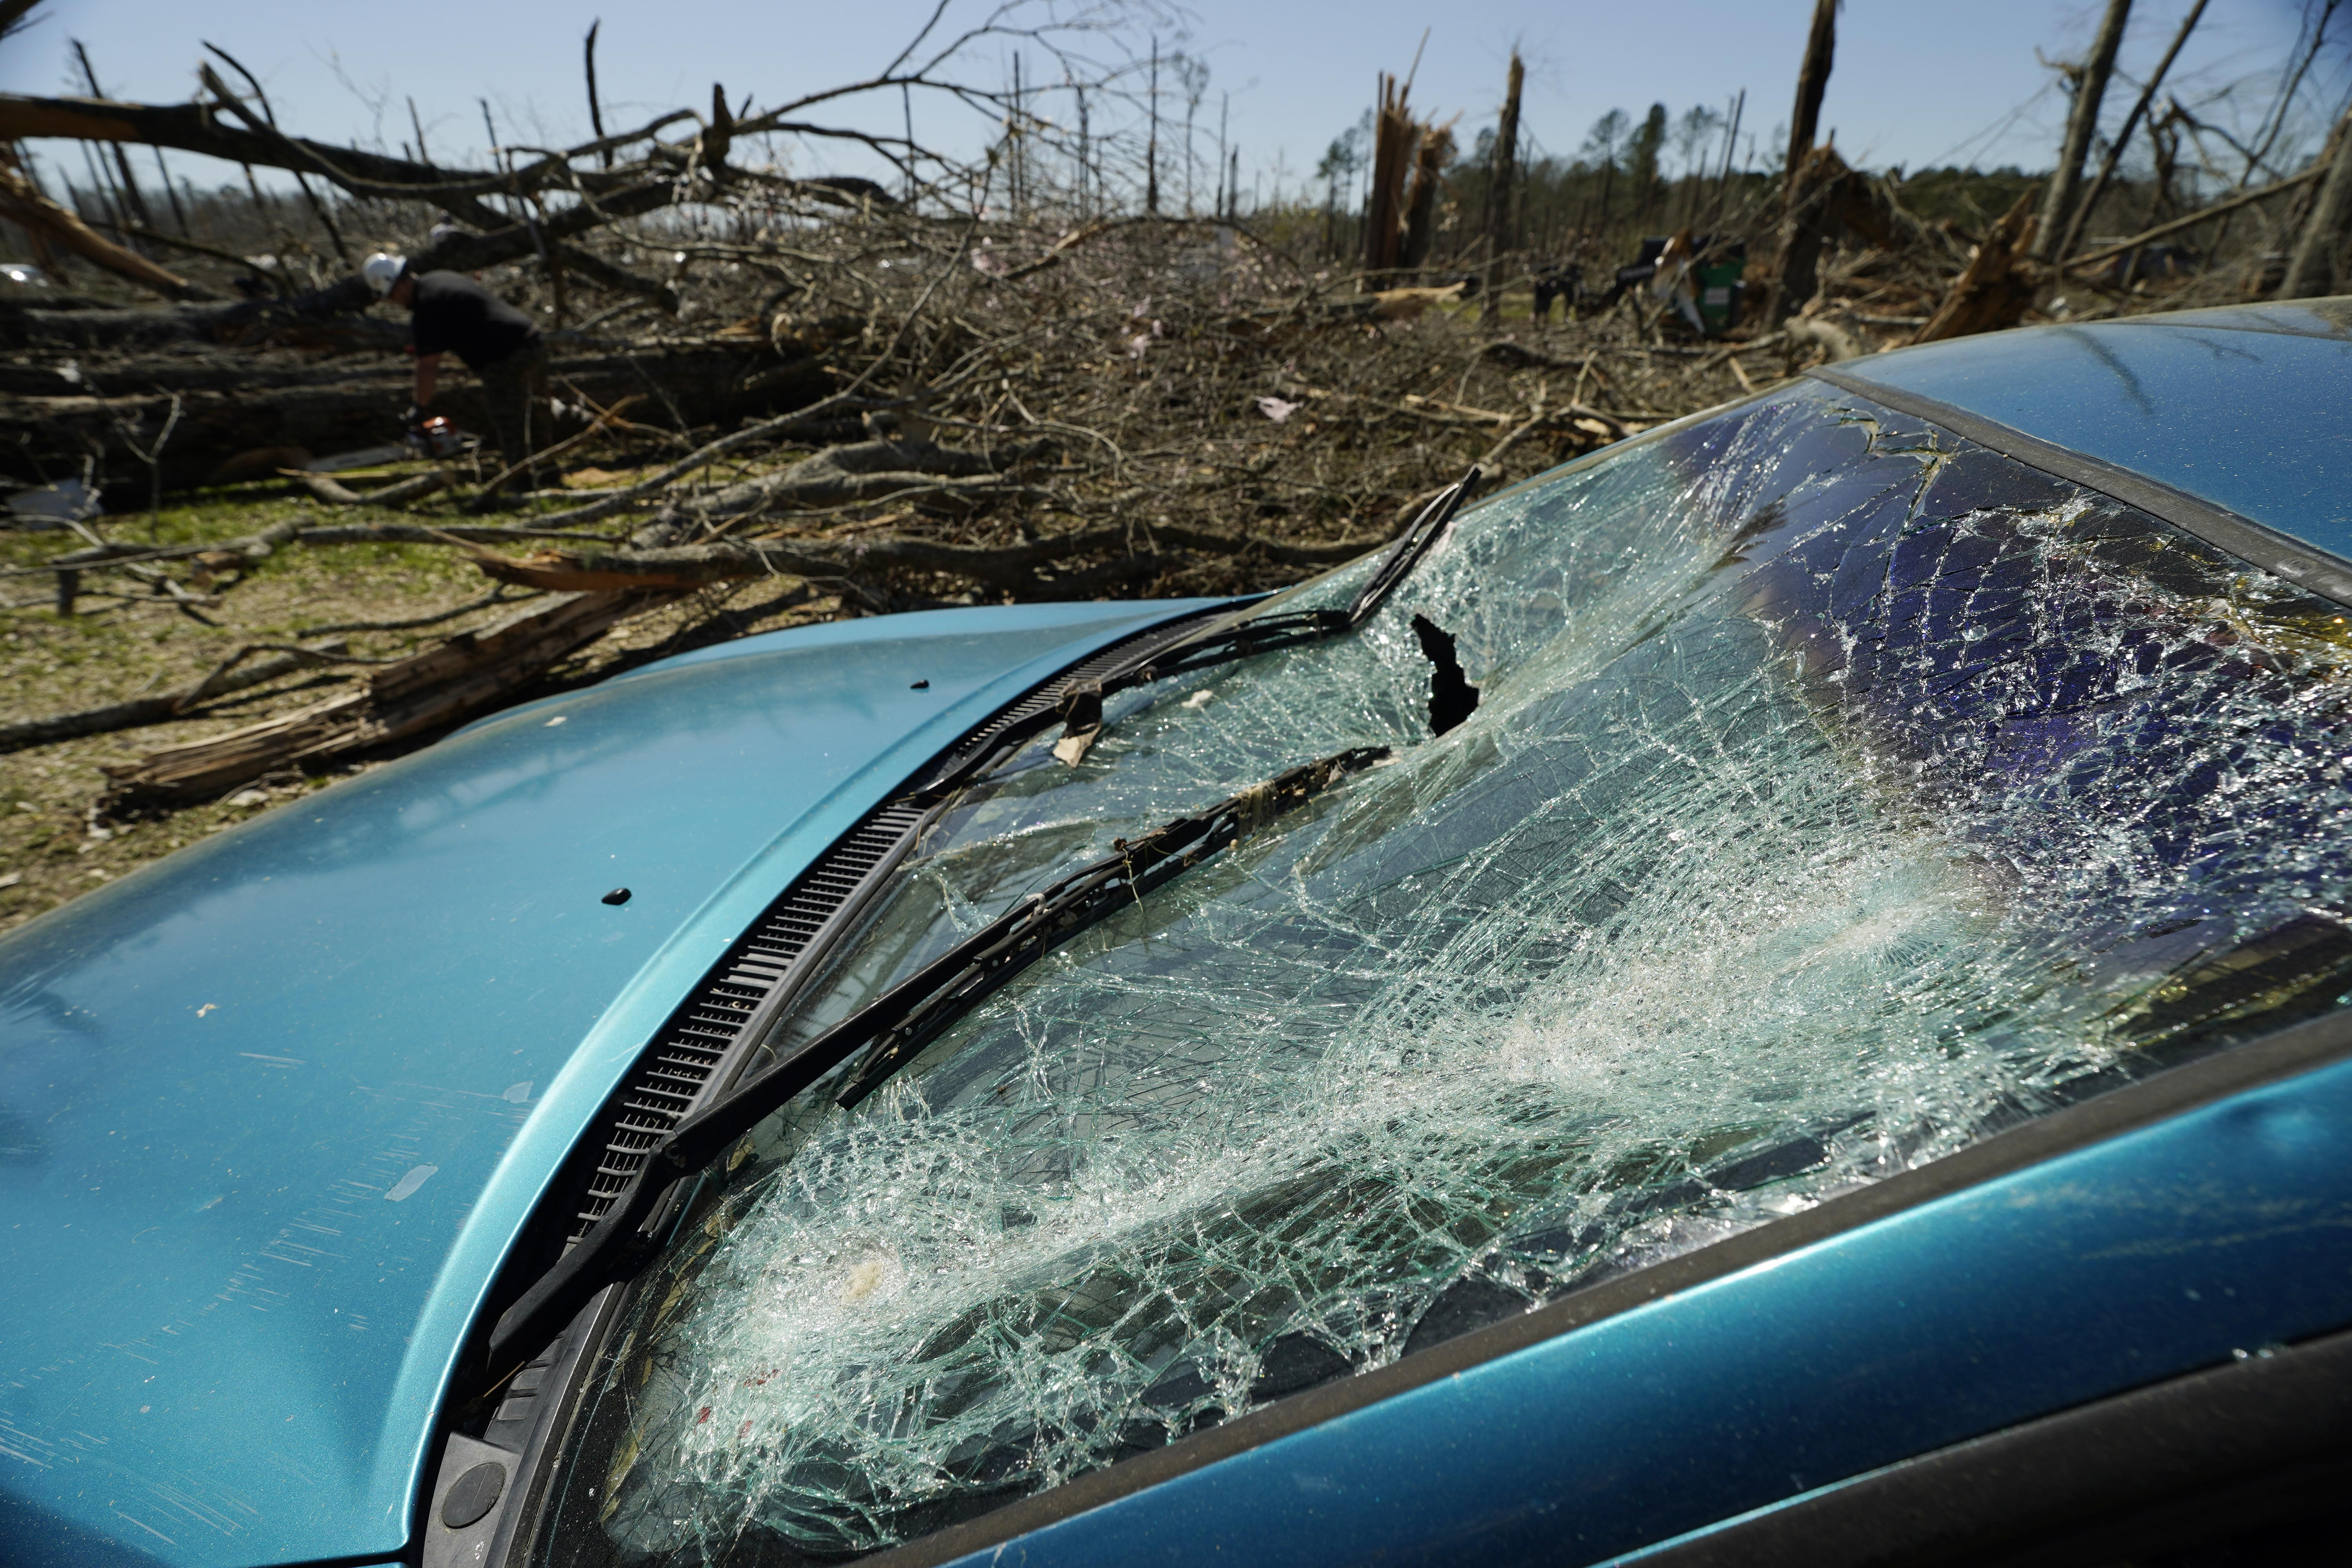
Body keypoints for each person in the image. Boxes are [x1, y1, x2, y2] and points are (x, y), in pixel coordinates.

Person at [362, 252, 550, 491]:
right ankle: (548, 473)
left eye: (391, 296)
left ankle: (522, 484)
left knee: (510, 419)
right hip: (532, 340)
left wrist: (419, 408)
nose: (394, 302)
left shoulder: (426, 307)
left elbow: (428, 365)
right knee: (536, 413)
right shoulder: (440, 279)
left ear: (398, 284)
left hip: (506, 356)